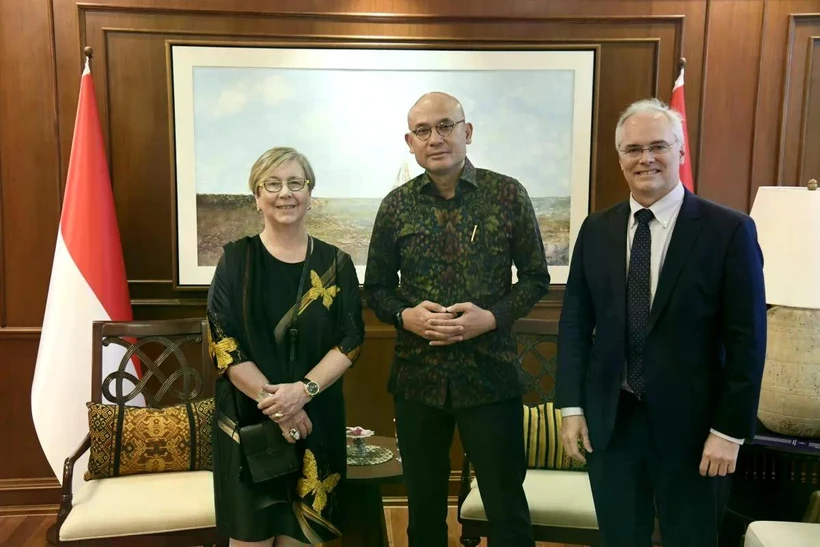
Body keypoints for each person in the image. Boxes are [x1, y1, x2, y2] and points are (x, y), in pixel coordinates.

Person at [556, 98, 767, 547]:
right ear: (619, 158)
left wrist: (729, 431)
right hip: (612, 424)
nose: (646, 158)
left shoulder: (728, 231)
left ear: (681, 151)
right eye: (633, 149)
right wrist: (571, 406)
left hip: (696, 431)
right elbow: (575, 324)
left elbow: (748, 341)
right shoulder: (596, 230)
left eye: (658, 146)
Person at [363, 91, 550, 547]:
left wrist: (491, 317)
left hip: (490, 377)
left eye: (446, 126)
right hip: (418, 380)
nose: (436, 138)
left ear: (467, 132)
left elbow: (534, 279)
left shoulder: (507, 195)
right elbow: (376, 290)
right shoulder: (395, 206)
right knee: (423, 509)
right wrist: (406, 316)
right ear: (410, 142)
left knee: (505, 506)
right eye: (423, 131)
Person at [206, 146, 365, 547]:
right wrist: (280, 407)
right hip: (249, 422)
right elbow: (225, 345)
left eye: (296, 183)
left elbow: (351, 340)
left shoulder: (337, 263)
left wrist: (303, 392)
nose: (285, 193)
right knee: (251, 540)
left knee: (302, 539)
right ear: (257, 198)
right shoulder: (234, 261)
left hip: (318, 419)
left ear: (310, 193)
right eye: (272, 184)